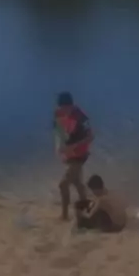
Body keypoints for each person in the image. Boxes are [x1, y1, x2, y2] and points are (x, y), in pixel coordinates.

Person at [54, 91, 93, 221]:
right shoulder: (58, 113)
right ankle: (87, 209)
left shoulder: (81, 117)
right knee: (77, 183)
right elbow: (58, 130)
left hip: (80, 152)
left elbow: (90, 137)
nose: (65, 111)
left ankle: (64, 215)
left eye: (67, 108)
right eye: (62, 108)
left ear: (71, 106)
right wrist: (59, 146)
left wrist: (74, 146)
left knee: (63, 184)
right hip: (69, 152)